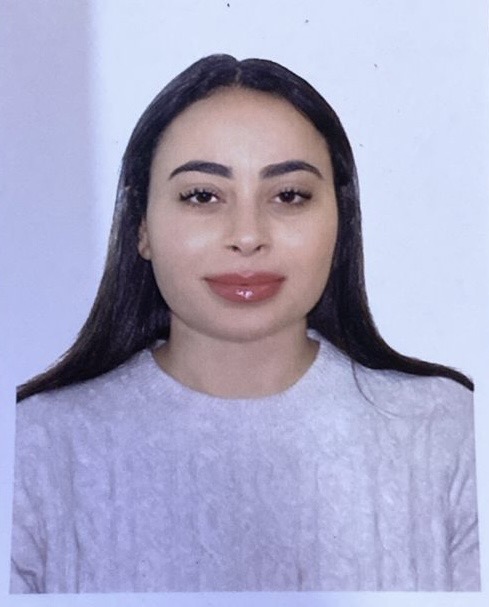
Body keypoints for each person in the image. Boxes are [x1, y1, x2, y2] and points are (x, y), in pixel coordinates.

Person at [10, 54, 479, 593]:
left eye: (289, 195)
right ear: (141, 226)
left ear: (341, 221)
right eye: (202, 196)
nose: (248, 235)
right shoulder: (35, 451)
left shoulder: (447, 434)